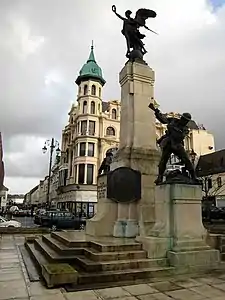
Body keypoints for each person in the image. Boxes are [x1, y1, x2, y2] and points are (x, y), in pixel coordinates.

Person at [149, 102, 199, 185]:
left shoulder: (185, 128)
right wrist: (156, 110)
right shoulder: (173, 120)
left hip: (177, 144)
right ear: (181, 118)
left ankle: (194, 176)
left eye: (186, 121)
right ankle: (160, 177)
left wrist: (171, 129)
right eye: (184, 119)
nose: (184, 122)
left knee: (186, 160)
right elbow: (163, 119)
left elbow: (179, 136)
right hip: (168, 143)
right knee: (163, 161)